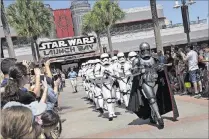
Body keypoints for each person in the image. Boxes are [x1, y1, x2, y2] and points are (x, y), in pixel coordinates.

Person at [128, 42, 179, 129]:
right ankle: (159, 118)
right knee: (151, 99)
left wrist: (160, 68)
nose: (145, 52)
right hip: (145, 82)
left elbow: (160, 68)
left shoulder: (155, 58)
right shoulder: (137, 60)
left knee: (155, 100)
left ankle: (153, 115)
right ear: (141, 51)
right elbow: (133, 72)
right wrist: (140, 71)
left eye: (147, 49)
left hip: (155, 81)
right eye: (144, 50)